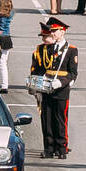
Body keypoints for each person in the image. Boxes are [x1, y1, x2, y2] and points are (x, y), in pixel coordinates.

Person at [29, 18, 77, 159]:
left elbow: (73, 73)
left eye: (55, 31)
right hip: (46, 87)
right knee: (47, 119)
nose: (53, 33)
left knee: (60, 119)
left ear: (62, 32)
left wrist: (62, 83)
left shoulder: (71, 50)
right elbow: (42, 68)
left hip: (61, 89)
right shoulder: (48, 48)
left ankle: (62, 148)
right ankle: (49, 148)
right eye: (52, 31)